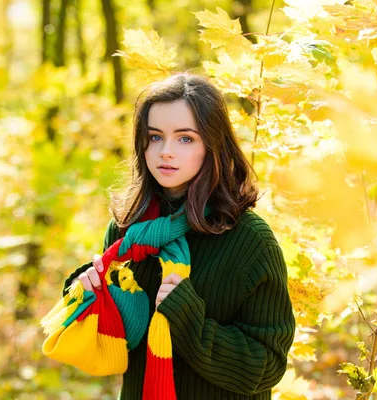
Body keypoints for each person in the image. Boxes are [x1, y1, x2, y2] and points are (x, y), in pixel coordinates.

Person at [62, 72, 296, 399]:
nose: (166, 152)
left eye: (185, 138)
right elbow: (115, 343)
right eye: (155, 137)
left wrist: (190, 321)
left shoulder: (249, 240)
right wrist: (87, 294)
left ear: (212, 145)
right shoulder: (127, 230)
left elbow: (268, 366)